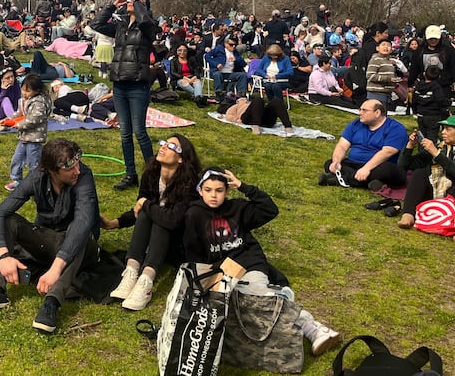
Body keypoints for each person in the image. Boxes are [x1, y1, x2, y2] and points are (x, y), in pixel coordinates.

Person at [182, 168, 341, 356]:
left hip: (248, 264)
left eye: (219, 190)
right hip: (221, 273)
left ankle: (313, 328)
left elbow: (270, 209)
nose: (213, 195)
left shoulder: (238, 208)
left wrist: (244, 187)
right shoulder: (194, 214)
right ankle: (278, 296)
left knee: (257, 298)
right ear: (200, 190)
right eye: (208, 190)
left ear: (227, 191)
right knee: (239, 308)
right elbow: (193, 253)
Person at [0, 138, 100, 334]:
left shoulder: (84, 178)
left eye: (78, 164)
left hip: (80, 248)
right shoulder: (37, 177)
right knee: (8, 220)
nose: (77, 171)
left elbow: (83, 224)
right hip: (48, 241)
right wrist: (4, 256)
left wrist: (55, 269)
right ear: (52, 171)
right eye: (69, 168)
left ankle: (52, 302)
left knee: (78, 233)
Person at [103, 134, 201, 310]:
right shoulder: (151, 172)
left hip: (177, 243)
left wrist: (146, 204)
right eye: (163, 143)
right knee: (149, 212)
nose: (163, 147)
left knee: (159, 215)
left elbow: (172, 220)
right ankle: (131, 272)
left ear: (181, 158)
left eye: (171, 146)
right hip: (153, 237)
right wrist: (115, 223)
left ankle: (146, 280)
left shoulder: (189, 184)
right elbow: (140, 210)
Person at [90, 0, 158, 191]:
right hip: (119, 84)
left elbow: (145, 20)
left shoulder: (148, 26)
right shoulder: (121, 26)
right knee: (125, 133)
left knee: (140, 131)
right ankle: (131, 174)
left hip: (137, 84)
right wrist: (112, 6)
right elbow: (97, 24)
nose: (131, 1)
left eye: (138, 0)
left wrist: (137, 4)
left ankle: (152, 175)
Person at [397, 116, 455, 244]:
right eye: (443, 129)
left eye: (448, 129)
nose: (443, 132)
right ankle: (408, 214)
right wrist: (410, 146)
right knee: (420, 173)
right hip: (435, 191)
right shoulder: (439, 147)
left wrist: (436, 154)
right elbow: (404, 165)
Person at [320, 99, 409, 189]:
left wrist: (366, 168)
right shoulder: (355, 124)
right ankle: (372, 183)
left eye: (364, 110)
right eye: (360, 110)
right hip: (354, 164)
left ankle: (338, 180)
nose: (360, 113)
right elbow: (342, 145)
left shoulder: (395, 128)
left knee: (388, 171)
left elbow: (388, 152)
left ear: (377, 113)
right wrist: (336, 162)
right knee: (329, 163)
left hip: (379, 165)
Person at [0, 74, 51, 191]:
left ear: (36, 91)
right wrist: (8, 120)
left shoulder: (39, 103)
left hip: (34, 138)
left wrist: (18, 125)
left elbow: (34, 119)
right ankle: (17, 180)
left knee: (33, 162)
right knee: (17, 159)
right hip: (24, 136)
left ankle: (36, 183)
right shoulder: (24, 100)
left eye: (27, 91)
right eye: (23, 90)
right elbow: (19, 113)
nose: (24, 93)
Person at [407, 25, 455, 102]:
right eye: (431, 39)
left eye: (435, 38)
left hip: (443, 85)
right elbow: (414, 69)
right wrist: (410, 83)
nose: (433, 41)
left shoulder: (448, 50)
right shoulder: (419, 51)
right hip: (425, 86)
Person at [412, 65, 449, 143]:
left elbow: (414, 100)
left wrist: (415, 111)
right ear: (439, 76)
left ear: (424, 74)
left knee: (422, 135)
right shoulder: (436, 87)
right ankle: (429, 152)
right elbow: (440, 100)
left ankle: (421, 151)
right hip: (433, 116)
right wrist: (449, 102)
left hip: (421, 115)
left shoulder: (418, 85)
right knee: (431, 137)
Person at [224, 96, 295, 135]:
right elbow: (228, 115)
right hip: (248, 118)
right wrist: (236, 119)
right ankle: (256, 126)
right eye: (241, 99)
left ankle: (288, 126)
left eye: (244, 98)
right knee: (258, 99)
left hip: (264, 119)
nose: (243, 99)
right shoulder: (236, 106)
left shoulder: (252, 103)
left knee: (276, 101)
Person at [365, 40, 402, 106]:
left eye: (388, 46)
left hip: (386, 94)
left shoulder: (389, 61)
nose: (386, 47)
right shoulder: (375, 59)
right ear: (377, 48)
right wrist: (388, 79)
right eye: (383, 45)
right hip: (376, 94)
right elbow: (370, 75)